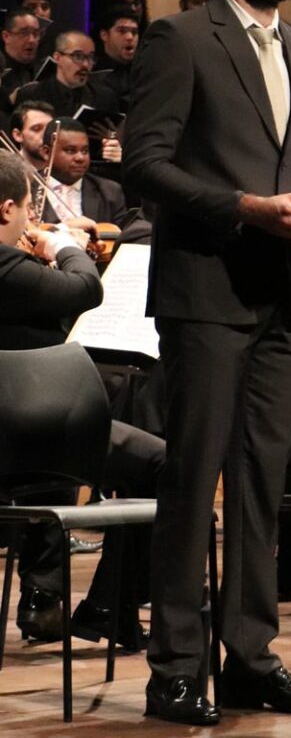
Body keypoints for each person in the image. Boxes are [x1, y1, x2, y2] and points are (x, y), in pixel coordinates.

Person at [123, 0, 291, 724]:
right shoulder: (180, 36)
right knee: (194, 479)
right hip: (207, 289)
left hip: (282, 294)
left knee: (264, 482)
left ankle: (249, 656)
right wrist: (243, 207)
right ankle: (175, 668)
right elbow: (145, 163)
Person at [0, 153, 163, 652]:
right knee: (161, 464)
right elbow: (85, 289)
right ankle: (110, 605)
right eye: (29, 210)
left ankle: (52, 597)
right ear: (7, 209)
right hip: (27, 431)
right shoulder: (7, 264)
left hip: (26, 422)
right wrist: (65, 245)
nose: (34, 221)